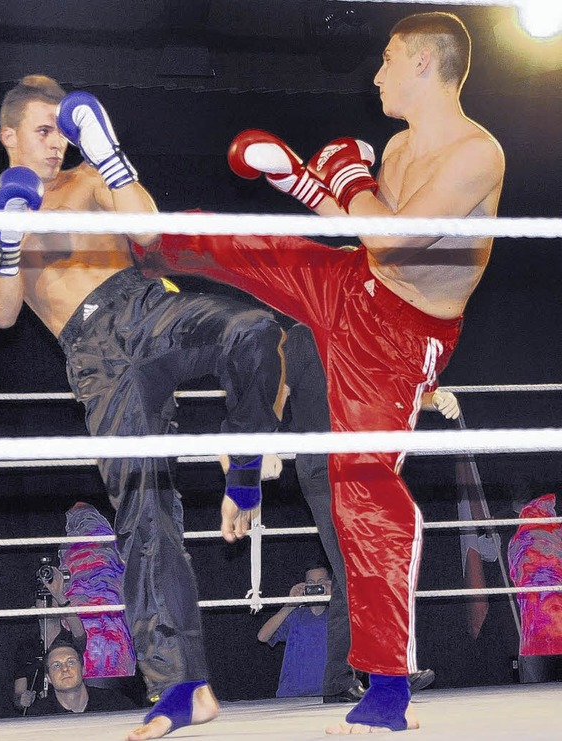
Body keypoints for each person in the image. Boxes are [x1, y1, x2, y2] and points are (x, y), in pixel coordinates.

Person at [140, 11, 505, 733]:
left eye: (387, 60)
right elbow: (372, 237)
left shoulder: (476, 154)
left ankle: (389, 686)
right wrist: (326, 187)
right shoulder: (398, 147)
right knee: (250, 244)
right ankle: (130, 243)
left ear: (423, 63)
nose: (375, 75)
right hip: (353, 283)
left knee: (362, 492)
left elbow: (393, 236)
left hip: (402, 338)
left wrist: (338, 177)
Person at [0, 75, 288, 739]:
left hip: (143, 308)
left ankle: (246, 464)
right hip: (92, 356)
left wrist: (109, 157)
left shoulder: (87, 179)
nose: (57, 143)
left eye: (64, 129)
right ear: (8, 135)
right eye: (42, 130)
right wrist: (7, 241)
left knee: (254, 333)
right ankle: (181, 688)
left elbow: (146, 230)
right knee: (145, 515)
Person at [282, 324, 457, 704]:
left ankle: (364, 676)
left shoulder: (369, 330)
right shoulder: (301, 333)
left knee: (378, 564)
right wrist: (257, 447)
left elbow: (403, 386)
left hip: (367, 461)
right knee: (352, 570)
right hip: (322, 464)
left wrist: (435, 396)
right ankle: (373, 674)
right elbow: (276, 392)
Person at [13, 564, 87, 714]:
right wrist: (22, 700)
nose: (47, 603)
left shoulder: (69, 640)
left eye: (51, 599)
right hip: (40, 714)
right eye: (42, 599)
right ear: (34, 608)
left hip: (68, 711)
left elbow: (80, 632)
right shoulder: (26, 646)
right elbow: (18, 694)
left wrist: (59, 595)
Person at [257, 562, 333, 698]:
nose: (315, 587)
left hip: (328, 694)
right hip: (291, 696)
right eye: (311, 583)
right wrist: (290, 604)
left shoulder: (339, 616)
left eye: (321, 582)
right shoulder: (295, 615)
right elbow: (262, 636)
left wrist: (335, 597)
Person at [26, 640, 135, 715]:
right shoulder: (39, 715)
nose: (65, 669)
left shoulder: (115, 704)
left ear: (83, 669)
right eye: (56, 665)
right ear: (48, 678)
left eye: (71, 662)